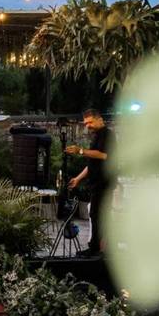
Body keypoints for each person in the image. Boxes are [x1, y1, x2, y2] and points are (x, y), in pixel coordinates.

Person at [66, 108, 113, 256]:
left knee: (97, 215)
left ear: (99, 119)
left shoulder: (107, 135)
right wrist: (78, 178)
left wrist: (80, 151)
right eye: (86, 123)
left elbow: (104, 155)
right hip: (96, 182)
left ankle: (97, 249)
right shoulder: (97, 136)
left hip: (104, 182)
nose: (88, 126)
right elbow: (92, 162)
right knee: (95, 215)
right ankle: (95, 247)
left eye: (90, 122)